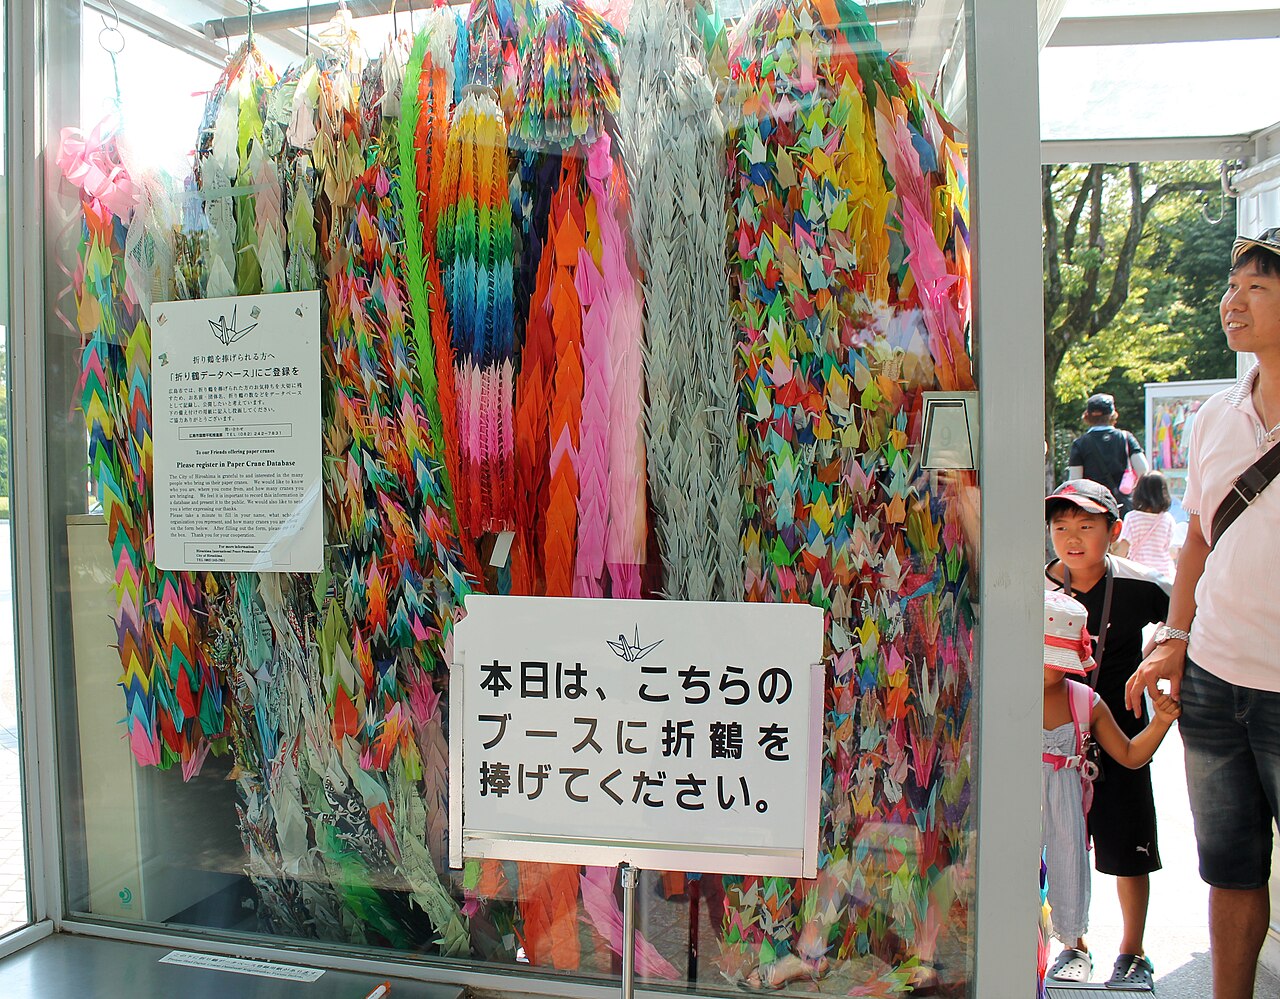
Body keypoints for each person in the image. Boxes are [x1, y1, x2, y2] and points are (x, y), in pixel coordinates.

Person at [1127, 228, 1280, 999]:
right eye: (1232, 285)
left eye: (1257, 285)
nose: (1234, 300)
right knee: (1229, 868)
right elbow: (1195, 537)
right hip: (1217, 680)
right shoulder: (1217, 415)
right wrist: (1175, 639)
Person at [1045, 479, 1172, 989]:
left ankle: (1132, 951)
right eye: (1060, 527)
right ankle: (1072, 946)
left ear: (1115, 531)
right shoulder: (1039, 588)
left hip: (1117, 731)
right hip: (1054, 740)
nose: (1072, 538)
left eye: (1086, 526)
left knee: (1127, 843)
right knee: (1059, 841)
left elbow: (1182, 617)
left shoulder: (1142, 583)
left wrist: (1163, 646)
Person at [1068, 393, 1150, 515]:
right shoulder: (1126, 438)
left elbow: (1075, 481)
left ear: (1087, 416)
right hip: (1121, 505)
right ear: (1112, 415)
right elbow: (1143, 470)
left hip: (1093, 507)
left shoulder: (1080, 443)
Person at [1114, 472, 1177, 579]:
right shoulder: (1168, 518)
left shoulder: (1132, 518)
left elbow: (1123, 550)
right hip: (1165, 575)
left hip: (1140, 574)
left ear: (1139, 492)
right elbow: (1172, 552)